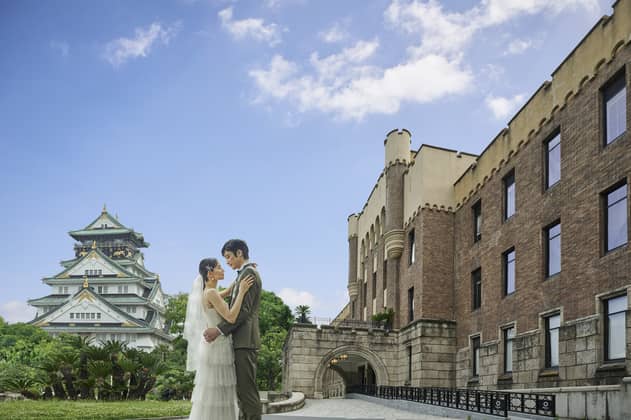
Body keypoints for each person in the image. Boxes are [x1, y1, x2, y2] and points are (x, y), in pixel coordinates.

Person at [184, 257, 255, 420]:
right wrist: (242, 292)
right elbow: (230, 317)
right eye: (219, 268)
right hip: (219, 347)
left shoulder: (207, 292)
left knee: (212, 393)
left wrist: (238, 281)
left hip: (212, 347)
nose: (223, 270)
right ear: (210, 274)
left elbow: (225, 293)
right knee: (220, 392)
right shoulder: (212, 293)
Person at [204, 239, 262, 420]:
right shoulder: (243, 274)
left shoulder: (248, 273)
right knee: (241, 392)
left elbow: (243, 312)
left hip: (245, 341)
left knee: (247, 391)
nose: (227, 262)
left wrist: (219, 330)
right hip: (240, 341)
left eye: (229, 257)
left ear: (239, 253)